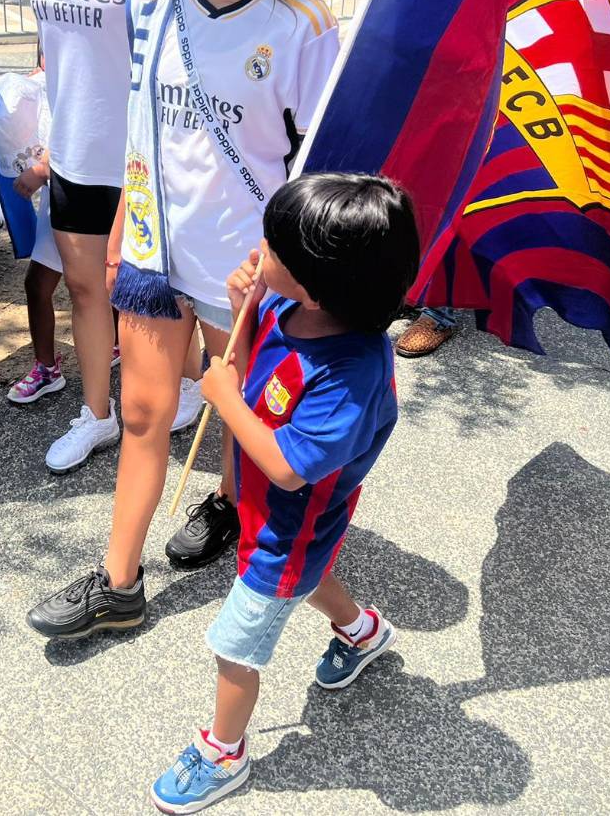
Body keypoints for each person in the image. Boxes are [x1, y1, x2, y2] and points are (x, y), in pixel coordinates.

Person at [26, 0, 342, 636]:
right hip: (152, 248)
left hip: (249, 263)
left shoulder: (302, 21)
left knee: (241, 412)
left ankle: (232, 506)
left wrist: (288, 260)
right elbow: (143, 120)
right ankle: (118, 581)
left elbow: (321, 158)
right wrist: (115, 232)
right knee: (142, 413)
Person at [149, 173, 419, 812]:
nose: (257, 250)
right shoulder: (284, 306)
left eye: (273, 247)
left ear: (324, 285)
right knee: (313, 576)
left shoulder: (350, 377)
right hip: (273, 515)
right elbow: (249, 366)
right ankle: (361, 632)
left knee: (234, 647)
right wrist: (240, 304)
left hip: (287, 525)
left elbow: (286, 466)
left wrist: (221, 399)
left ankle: (223, 753)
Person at [29, 0, 179, 475]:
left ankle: (185, 384)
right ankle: (97, 415)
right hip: (74, 148)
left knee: (156, 291)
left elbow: (164, 17)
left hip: (139, 153)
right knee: (86, 290)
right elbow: (55, 52)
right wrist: (46, 141)